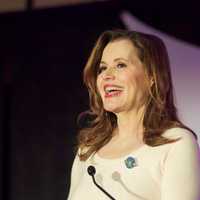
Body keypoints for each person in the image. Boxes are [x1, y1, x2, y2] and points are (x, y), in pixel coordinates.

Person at [67, 29, 200, 200]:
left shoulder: (176, 143)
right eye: (102, 68)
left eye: (120, 65)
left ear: (152, 76)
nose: (106, 75)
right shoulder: (88, 150)